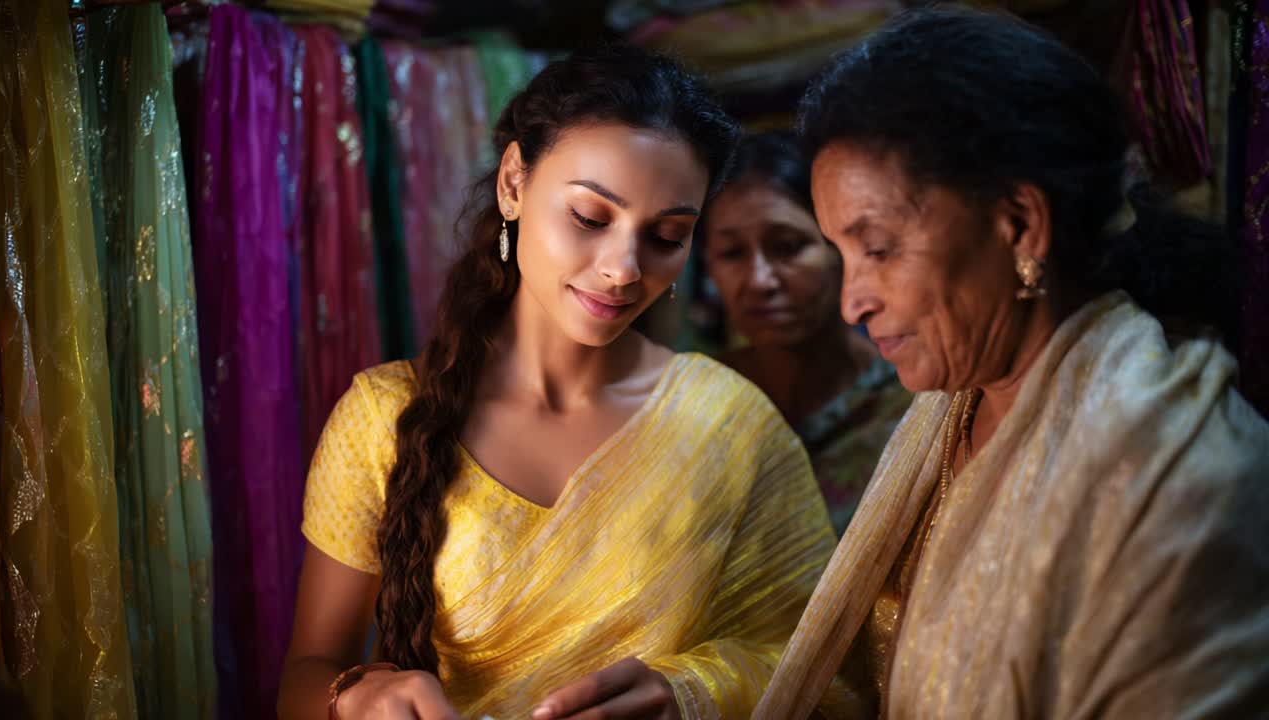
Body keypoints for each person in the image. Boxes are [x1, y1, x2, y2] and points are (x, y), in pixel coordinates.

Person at [276, 45, 836, 720]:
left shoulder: (731, 425)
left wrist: (692, 693)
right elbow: (305, 676)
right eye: (591, 219)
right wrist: (354, 701)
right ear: (514, 182)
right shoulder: (384, 416)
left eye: (666, 236)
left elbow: (828, 665)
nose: (623, 269)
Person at [755, 9, 1269, 719]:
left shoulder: (1180, 475)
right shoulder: (946, 411)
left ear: (1020, 224)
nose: (851, 305)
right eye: (840, 255)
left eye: (877, 249)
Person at [701, 131, 911, 533]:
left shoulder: (909, 408)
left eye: (788, 246)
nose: (760, 280)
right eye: (732, 254)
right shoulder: (694, 402)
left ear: (842, 251)